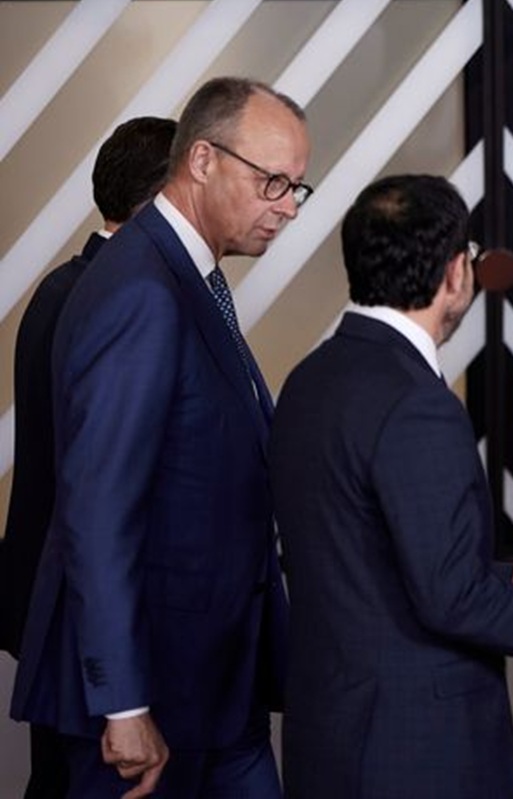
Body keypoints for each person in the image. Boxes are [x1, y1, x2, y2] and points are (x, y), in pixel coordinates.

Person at [268, 173, 513, 799]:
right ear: (456, 272)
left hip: (330, 731)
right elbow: (449, 597)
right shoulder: (417, 404)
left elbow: (364, 551)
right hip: (414, 746)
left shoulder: (309, 379)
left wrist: (501, 578)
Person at [10, 76, 312, 799]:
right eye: (272, 182)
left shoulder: (186, 275)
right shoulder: (142, 287)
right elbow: (97, 508)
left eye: (297, 188)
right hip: (155, 688)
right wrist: (123, 703)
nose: (288, 207)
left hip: (217, 681)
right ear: (202, 160)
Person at [1, 116, 177, 799]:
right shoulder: (120, 298)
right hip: (84, 609)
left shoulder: (61, 287)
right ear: (160, 198)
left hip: (52, 600)